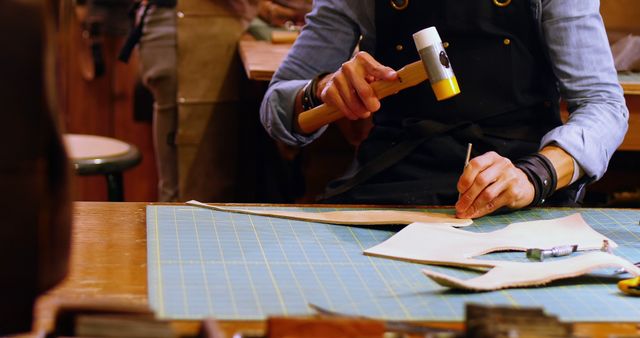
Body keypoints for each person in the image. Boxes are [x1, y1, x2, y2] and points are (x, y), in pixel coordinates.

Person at [260, 0, 629, 218]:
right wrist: (322, 89)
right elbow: (276, 106)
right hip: (390, 187)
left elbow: (604, 105)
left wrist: (536, 174)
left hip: (520, 192)